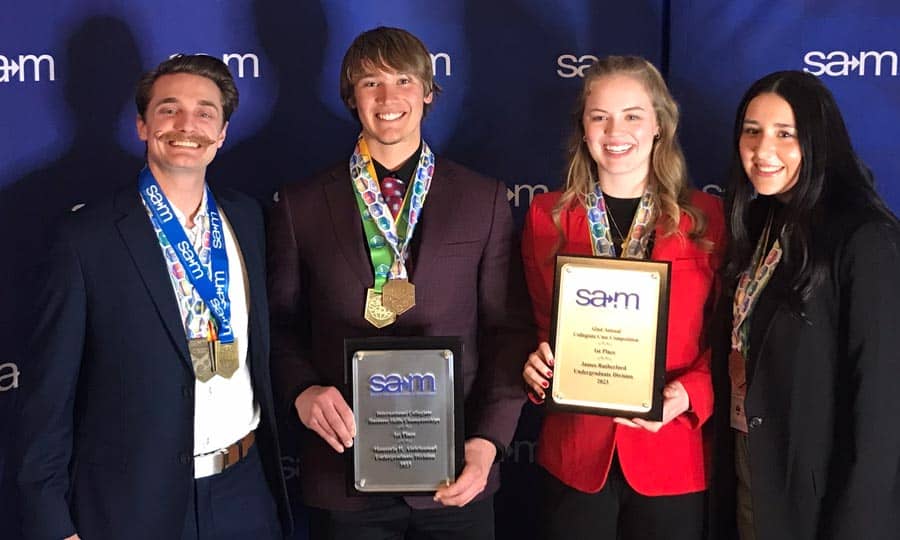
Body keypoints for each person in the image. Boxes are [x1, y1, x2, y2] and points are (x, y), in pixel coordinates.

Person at [267, 27, 534, 539]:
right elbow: (278, 325)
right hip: (343, 475)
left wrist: (487, 443)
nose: (388, 98)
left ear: (428, 92)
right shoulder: (299, 205)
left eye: (404, 80)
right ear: (351, 97)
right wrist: (301, 391)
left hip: (458, 474)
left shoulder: (484, 199)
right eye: (370, 83)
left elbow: (508, 331)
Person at [16, 54, 290, 540]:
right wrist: (52, 525)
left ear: (223, 132)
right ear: (142, 125)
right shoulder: (85, 238)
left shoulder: (249, 220)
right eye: (169, 110)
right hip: (132, 504)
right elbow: (47, 400)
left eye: (206, 112)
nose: (187, 125)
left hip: (244, 491)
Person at [521, 56, 725, 540]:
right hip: (575, 453)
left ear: (659, 124)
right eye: (600, 116)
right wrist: (534, 368)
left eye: (633, 115)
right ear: (584, 129)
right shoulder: (546, 216)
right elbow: (533, 325)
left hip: (672, 450)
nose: (616, 131)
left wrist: (691, 394)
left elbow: (734, 338)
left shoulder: (708, 218)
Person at [707, 70, 900, 540]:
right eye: (751, 131)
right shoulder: (760, 221)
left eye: (784, 134)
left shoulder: (864, 237)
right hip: (750, 465)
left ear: (819, 141)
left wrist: (858, 523)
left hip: (816, 499)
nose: (762, 149)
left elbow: (879, 401)